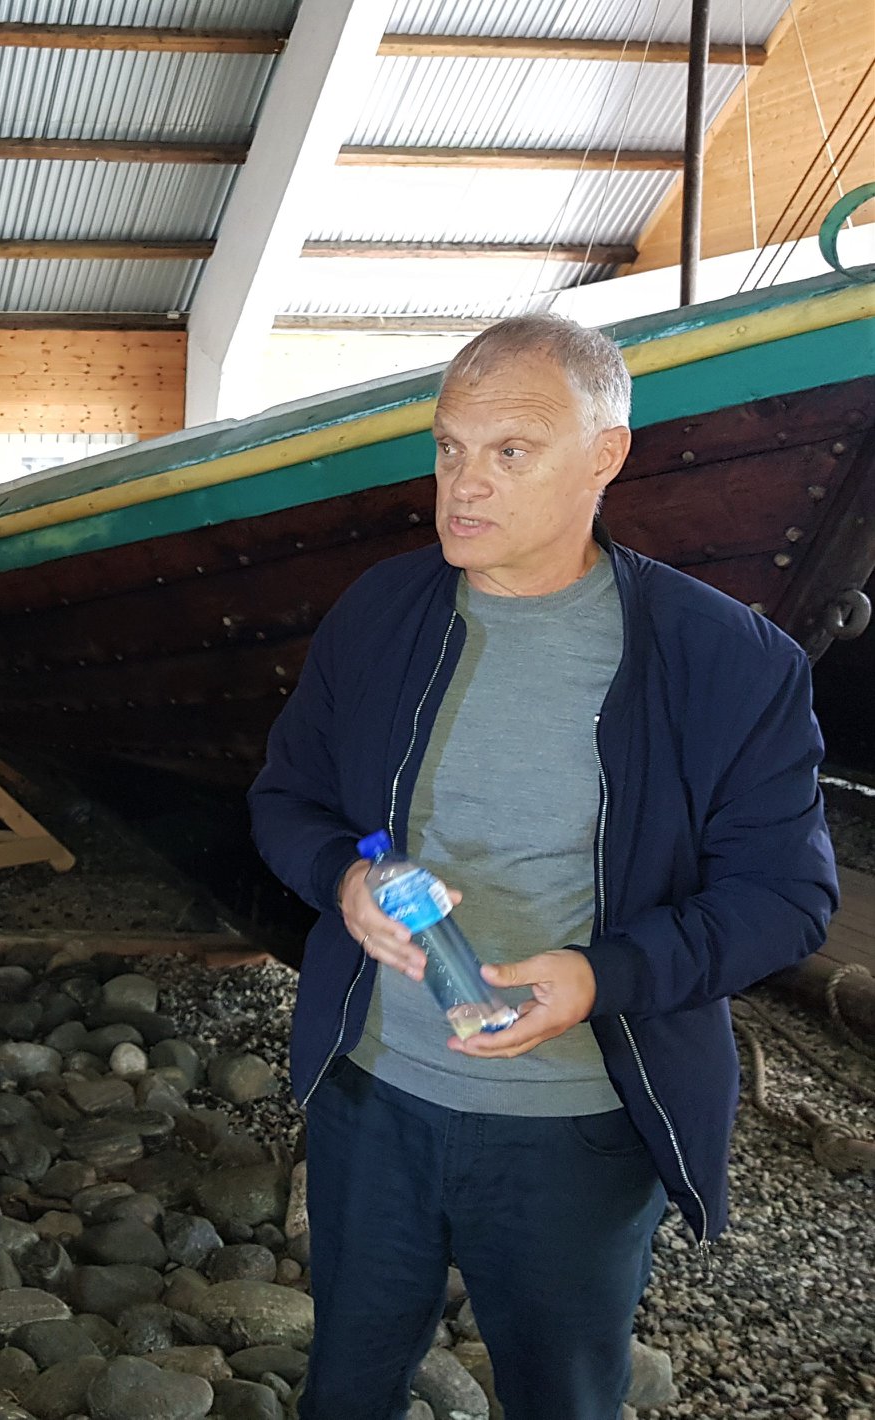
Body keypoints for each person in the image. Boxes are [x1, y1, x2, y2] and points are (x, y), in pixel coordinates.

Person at [247, 313, 838, 1420]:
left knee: (562, 1398)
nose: (463, 484)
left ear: (605, 455)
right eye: (450, 447)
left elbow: (788, 896)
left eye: (511, 451)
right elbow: (286, 799)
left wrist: (604, 976)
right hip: (373, 1096)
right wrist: (342, 882)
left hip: (578, 1128)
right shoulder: (381, 611)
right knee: (346, 1384)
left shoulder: (725, 658)